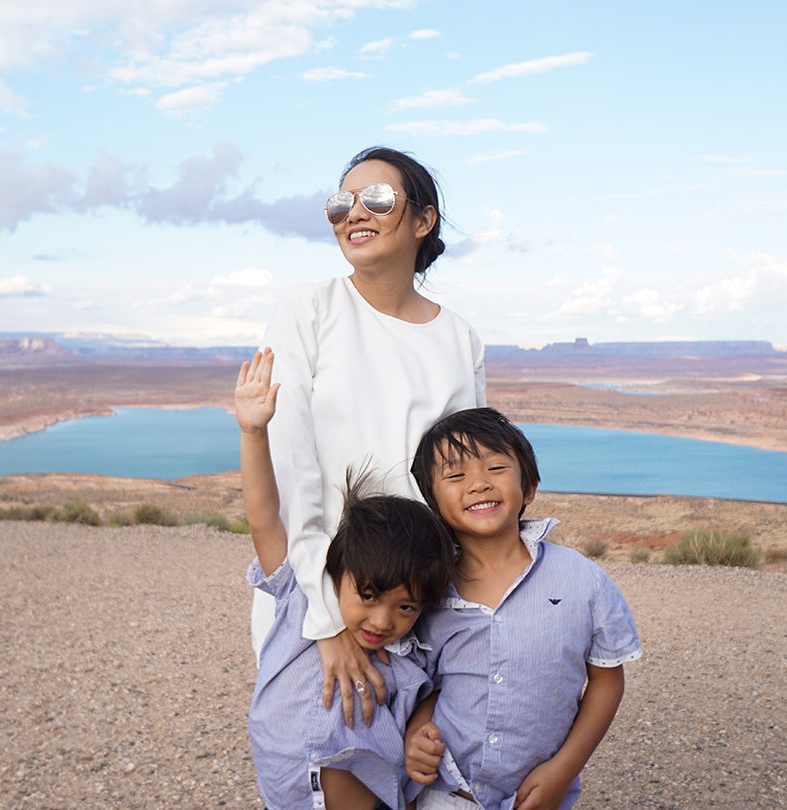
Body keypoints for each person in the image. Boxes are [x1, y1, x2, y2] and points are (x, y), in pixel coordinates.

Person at [254, 146, 486, 728]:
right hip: (324, 599)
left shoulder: (460, 338)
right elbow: (292, 472)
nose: (353, 214)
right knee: (323, 769)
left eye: (377, 199)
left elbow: (462, 484)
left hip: (417, 606)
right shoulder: (309, 309)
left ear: (423, 220)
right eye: (340, 204)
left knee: (418, 772)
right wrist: (327, 618)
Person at [236, 347, 457, 808]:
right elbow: (264, 520)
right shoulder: (302, 596)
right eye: (370, 595)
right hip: (291, 784)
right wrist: (253, 432)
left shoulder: (413, 650)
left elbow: (436, 699)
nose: (382, 620)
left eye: (406, 607)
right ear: (339, 574)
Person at [404, 408, 642, 810]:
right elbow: (427, 686)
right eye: (455, 475)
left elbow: (606, 680)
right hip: (447, 792)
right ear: (433, 500)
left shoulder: (582, 580)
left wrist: (563, 769)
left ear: (529, 488)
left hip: (535, 794)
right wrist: (416, 734)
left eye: (496, 467)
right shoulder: (426, 590)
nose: (478, 483)